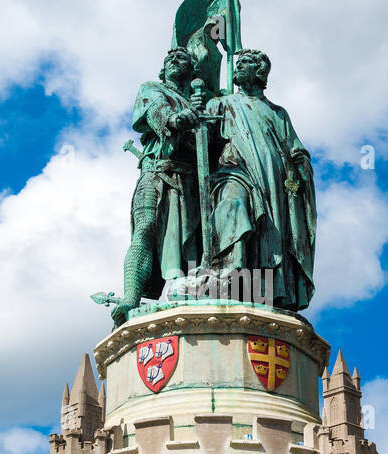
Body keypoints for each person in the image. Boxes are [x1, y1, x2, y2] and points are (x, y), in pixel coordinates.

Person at [204, 48, 316, 311]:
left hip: (274, 180)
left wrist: (300, 167)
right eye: (238, 63)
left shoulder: (278, 113)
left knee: (271, 235)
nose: (238, 68)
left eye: (245, 64)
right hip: (234, 171)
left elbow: (296, 148)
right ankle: (230, 275)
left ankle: (265, 289)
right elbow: (202, 138)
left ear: (260, 72)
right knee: (233, 206)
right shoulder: (222, 103)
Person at [115, 48, 203, 325]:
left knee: (189, 240)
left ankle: (186, 285)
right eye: (170, 59)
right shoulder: (152, 88)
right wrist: (177, 119)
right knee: (144, 229)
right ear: (163, 69)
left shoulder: (199, 101)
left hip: (189, 179)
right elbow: (156, 110)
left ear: (191, 71)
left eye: (182, 59)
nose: (175, 62)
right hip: (155, 170)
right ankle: (131, 296)